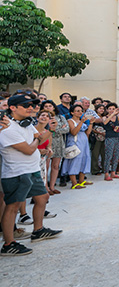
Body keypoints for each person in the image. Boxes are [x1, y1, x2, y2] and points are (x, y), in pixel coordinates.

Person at [1, 93, 62, 256]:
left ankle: (38, 230)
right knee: (12, 207)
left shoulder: (26, 124)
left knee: (42, 197)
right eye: (26, 105)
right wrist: (36, 140)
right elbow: (29, 149)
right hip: (17, 172)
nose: (31, 108)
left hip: (31, 170)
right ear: (12, 108)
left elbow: (39, 140)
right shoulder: (7, 129)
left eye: (32, 105)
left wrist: (50, 130)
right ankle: (9, 244)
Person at [61, 104, 93, 189]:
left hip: (84, 142)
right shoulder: (70, 121)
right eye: (77, 111)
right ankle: (74, 183)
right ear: (72, 112)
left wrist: (91, 123)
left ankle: (81, 181)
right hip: (75, 142)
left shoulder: (81, 121)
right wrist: (82, 122)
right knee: (75, 161)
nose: (80, 112)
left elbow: (88, 132)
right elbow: (74, 132)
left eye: (81, 111)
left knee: (84, 159)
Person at [39, 100, 68, 194]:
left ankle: (52, 186)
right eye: (45, 106)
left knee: (55, 166)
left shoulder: (60, 117)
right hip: (46, 143)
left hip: (59, 143)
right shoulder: (42, 118)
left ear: (54, 107)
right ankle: (45, 187)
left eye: (50, 106)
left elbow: (66, 129)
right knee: (45, 166)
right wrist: (55, 129)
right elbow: (42, 130)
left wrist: (54, 130)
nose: (48, 107)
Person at [102, 103, 119, 181]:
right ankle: (106, 173)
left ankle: (113, 172)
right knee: (108, 156)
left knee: (116, 155)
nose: (111, 110)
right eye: (110, 109)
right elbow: (105, 122)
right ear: (107, 110)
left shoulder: (117, 117)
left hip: (118, 137)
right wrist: (112, 114)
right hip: (109, 138)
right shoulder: (105, 117)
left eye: (113, 109)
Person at [89, 104, 106, 175]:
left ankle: (104, 168)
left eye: (103, 108)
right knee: (95, 154)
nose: (101, 110)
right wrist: (99, 132)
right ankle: (95, 170)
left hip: (104, 137)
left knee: (104, 154)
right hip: (96, 138)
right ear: (96, 109)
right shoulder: (93, 117)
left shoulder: (105, 117)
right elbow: (90, 127)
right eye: (100, 108)